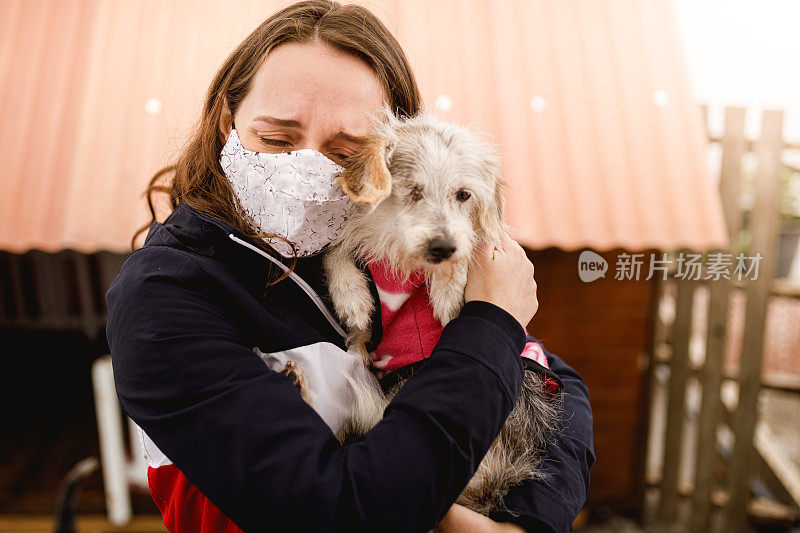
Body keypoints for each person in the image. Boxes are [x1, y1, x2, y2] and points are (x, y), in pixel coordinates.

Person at [105, 1, 595, 532]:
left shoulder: (370, 251)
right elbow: (341, 510)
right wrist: (492, 320)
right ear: (227, 120)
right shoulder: (165, 297)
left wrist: (528, 520)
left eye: (346, 152)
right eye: (276, 139)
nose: (307, 167)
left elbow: (553, 383)